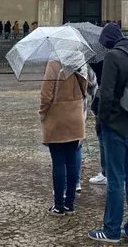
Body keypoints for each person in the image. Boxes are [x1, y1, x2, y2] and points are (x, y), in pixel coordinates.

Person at [88, 23, 128, 244]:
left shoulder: (113, 57)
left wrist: (101, 122)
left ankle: (112, 230)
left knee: (115, 178)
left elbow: (105, 94)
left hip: (116, 125)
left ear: (110, 40)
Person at [40, 60, 88, 215]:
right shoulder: (80, 62)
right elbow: (86, 88)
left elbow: (46, 94)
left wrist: (42, 113)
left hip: (58, 117)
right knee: (72, 162)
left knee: (58, 162)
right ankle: (70, 204)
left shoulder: (54, 64)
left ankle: (58, 205)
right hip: (75, 116)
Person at [87, 60, 107, 186]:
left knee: (103, 139)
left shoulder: (99, 60)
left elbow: (93, 85)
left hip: (102, 103)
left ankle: (106, 173)